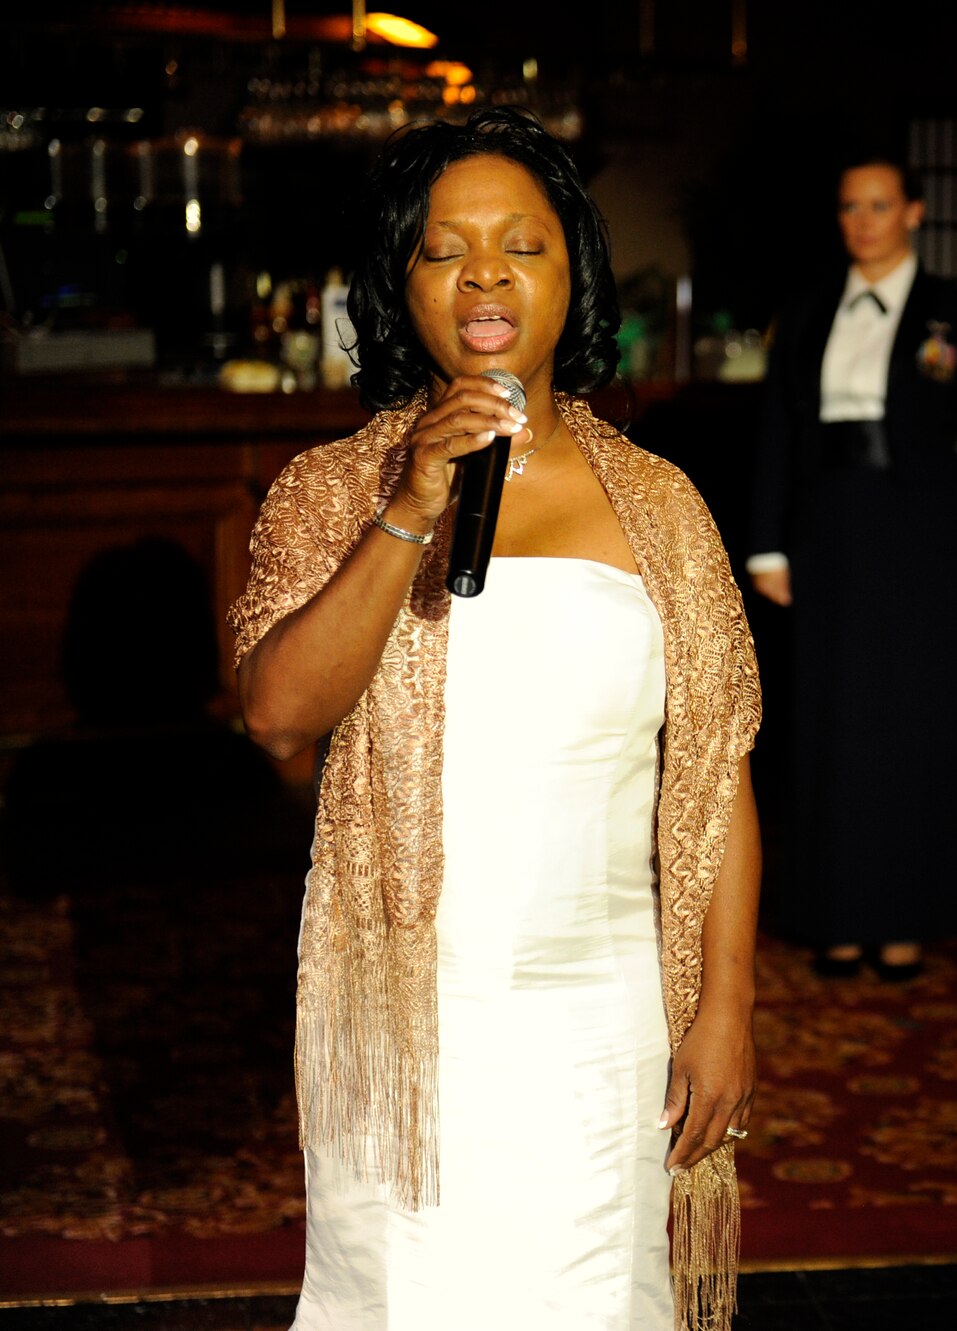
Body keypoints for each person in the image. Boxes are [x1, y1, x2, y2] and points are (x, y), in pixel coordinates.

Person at [227, 108, 762, 1329]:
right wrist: (410, 502)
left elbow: (715, 770)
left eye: (521, 243)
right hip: (405, 1020)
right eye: (442, 247)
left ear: (570, 276)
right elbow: (274, 716)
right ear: (398, 282)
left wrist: (725, 1009)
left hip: (603, 1011)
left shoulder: (663, 505)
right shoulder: (330, 490)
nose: (484, 272)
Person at [748, 156, 957, 981]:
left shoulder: (955, 314)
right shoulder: (804, 313)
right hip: (829, 532)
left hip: (924, 538)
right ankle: (832, 915)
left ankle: (906, 915)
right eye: (848, 206)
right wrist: (766, 542)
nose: (863, 220)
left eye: (879, 205)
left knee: (915, 724)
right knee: (832, 724)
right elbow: (775, 434)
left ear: (914, 212)